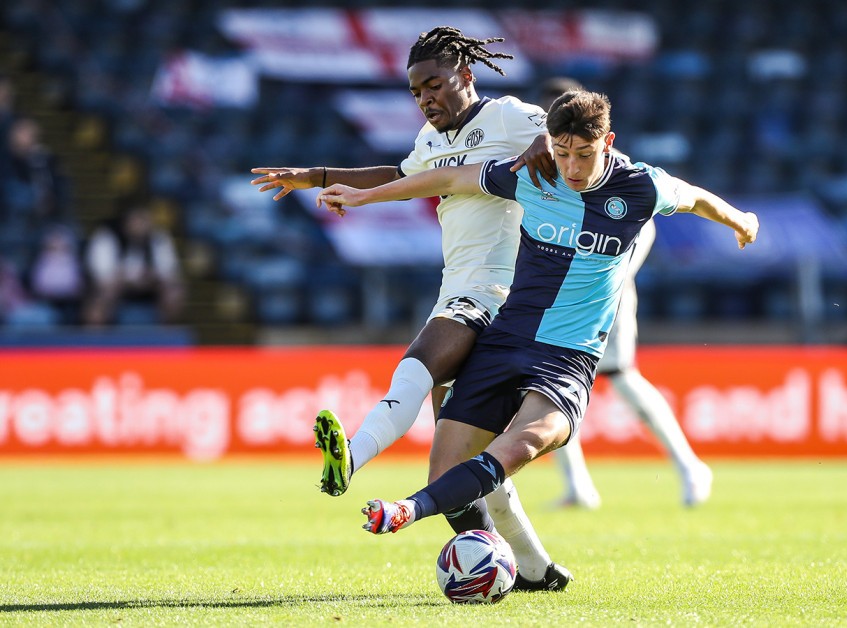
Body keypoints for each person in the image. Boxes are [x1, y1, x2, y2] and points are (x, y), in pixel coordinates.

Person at [315, 89, 759, 537]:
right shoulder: (533, 174)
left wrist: (741, 220)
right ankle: (526, 565)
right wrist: (363, 197)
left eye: (584, 154)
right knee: (446, 463)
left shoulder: (642, 185)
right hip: (507, 338)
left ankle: (405, 511)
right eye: (562, 152)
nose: (572, 168)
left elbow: (697, 198)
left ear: (608, 143)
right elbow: (447, 179)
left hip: (568, 356)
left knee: (522, 444)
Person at [251, 26, 571, 591]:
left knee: (419, 361)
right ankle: (536, 571)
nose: (425, 98)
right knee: (458, 461)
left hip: (502, 292)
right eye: (416, 91)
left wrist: (544, 144)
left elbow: (565, 136)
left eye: (434, 84)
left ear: (465, 77)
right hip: (459, 286)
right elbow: (402, 177)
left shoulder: (507, 116)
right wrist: (315, 177)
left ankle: (350, 457)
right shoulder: (430, 137)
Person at [536, 78, 712, 510]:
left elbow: (646, 226)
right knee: (541, 383)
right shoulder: (545, 165)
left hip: (605, 290)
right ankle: (577, 485)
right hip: (556, 292)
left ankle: (689, 465)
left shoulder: (612, 167)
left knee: (621, 378)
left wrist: (615, 279)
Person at [83, 202, 185, 326]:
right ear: (126, 221)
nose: (141, 225)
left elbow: (169, 272)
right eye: (136, 220)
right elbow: (101, 276)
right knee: (103, 293)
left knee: (174, 291)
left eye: (144, 220)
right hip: (116, 289)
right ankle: (97, 339)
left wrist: (151, 277)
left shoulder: (158, 238)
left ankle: (166, 337)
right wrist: (125, 278)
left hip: (150, 289)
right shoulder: (107, 237)